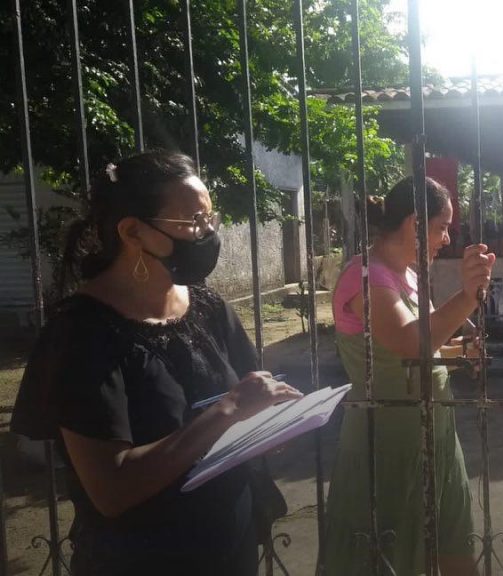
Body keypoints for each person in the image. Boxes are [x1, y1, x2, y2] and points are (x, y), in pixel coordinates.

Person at [12, 150, 302, 576]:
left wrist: (271, 425)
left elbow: (252, 396)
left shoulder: (207, 307)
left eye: (210, 218)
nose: (207, 233)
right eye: (193, 221)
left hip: (230, 546)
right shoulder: (82, 333)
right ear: (133, 231)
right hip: (140, 559)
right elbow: (112, 488)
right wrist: (229, 410)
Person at [325, 176, 495, 575]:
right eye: (442, 227)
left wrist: (459, 351)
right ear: (415, 223)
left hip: (435, 436)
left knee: (453, 546)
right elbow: (408, 341)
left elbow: (425, 349)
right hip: (387, 444)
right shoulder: (365, 276)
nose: (447, 239)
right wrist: (467, 296)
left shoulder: (410, 275)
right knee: (386, 558)